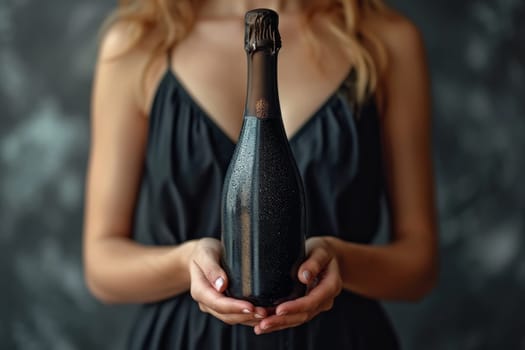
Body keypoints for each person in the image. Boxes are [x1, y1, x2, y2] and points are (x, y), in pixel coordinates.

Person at [83, 0, 438, 348]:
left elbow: (419, 265)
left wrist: (340, 259)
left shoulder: (385, 41)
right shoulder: (139, 42)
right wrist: (184, 264)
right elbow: (102, 265)